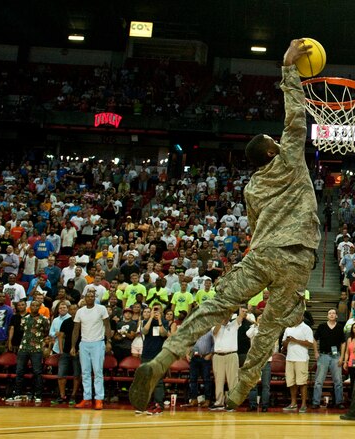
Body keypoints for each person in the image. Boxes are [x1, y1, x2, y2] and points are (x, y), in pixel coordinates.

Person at [129, 39, 320, 412]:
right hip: (296, 257)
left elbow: (254, 226)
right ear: (270, 152)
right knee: (267, 332)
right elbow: (296, 117)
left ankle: (164, 359)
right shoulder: (291, 162)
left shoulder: (252, 186)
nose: (278, 142)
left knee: (216, 305)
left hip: (262, 253)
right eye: (272, 142)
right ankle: (238, 393)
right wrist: (288, 69)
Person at [71, 290, 112, 410]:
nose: (89, 298)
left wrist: (108, 341)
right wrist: (73, 346)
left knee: (98, 371)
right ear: (84, 298)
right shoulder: (80, 311)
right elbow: (76, 330)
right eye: (87, 296)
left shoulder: (101, 309)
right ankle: (87, 398)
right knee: (85, 372)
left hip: (98, 343)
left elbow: (107, 325)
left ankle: (99, 399)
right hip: (84, 343)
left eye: (92, 296)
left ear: (95, 297)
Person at [6, 300, 50, 404]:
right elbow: (22, 330)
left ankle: (38, 395)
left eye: (36, 306)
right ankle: (17, 393)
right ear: (30, 307)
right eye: (33, 305)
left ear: (39, 307)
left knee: (37, 372)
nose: (34, 307)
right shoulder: (24, 319)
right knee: (19, 371)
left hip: (37, 348)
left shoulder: (44, 319)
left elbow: (46, 332)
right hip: (24, 347)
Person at [209, 308, 246, 411]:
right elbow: (215, 332)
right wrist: (220, 322)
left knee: (233, 379)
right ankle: (219, 402)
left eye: (228, 316)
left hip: (231, 354)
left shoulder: (234, 324)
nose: (226, 318)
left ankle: (232, 402)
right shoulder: (215, 326)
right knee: (218, 380)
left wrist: (241, 310)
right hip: (218, 355)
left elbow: (241, 317)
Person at [311, 309, 346, 409]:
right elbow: (314, 339)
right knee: (318, 381)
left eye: (333, 313)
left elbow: (343, 343)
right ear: (327, 316)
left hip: (336, 357)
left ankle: (339, 402)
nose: (331, 315)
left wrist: (342, 357)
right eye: (329, 313)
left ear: (336, 316)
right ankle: (316, 402)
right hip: (323, 356)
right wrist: (316, 352)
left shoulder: (339, 327)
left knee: (338, 381)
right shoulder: (322, 326)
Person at [281, 316, 314, 413]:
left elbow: (310, 343)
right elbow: (283, 344)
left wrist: (295, 340)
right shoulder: (288, 328)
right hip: (290, 358)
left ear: (302, 317)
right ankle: (293, 403)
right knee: (291, 382)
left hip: (301, 358)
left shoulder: (306, 328)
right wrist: (286, 341)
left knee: (302, 382)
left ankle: (303, 404)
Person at [55, 303, 81, 405]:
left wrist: (80, 350)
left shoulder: (82, 322)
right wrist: (61, 351)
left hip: (78, 352)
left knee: (77, 375)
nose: (73, 311)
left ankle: (73, 396)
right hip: (65, 352)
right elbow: (60, 336)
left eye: (75, 309)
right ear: (69, 311)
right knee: (61, 375)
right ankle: (62, 396)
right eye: (72, 309)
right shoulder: (66, 322)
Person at [188, 329, 214, 408]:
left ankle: (208, 400)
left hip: (205, 357)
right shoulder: (193, 330)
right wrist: (187, 354)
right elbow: (188, 343)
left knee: (206, 379)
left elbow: (215, 343)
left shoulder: (211, 330)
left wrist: (210, 354)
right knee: (193, 379)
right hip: (194, 357)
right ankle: (194, 399)